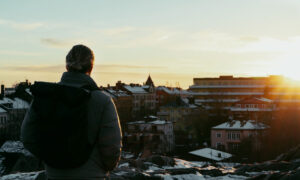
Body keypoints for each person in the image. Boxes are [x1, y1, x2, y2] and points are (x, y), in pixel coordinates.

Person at [21, 44, 122, 180]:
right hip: (92, 175)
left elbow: (28, 137)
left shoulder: (47, 96)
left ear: (66, 66)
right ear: (91, 68)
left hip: (54, 175)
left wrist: (50, 159)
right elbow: (111, 146)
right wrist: (103, 167)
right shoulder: (102, 100)